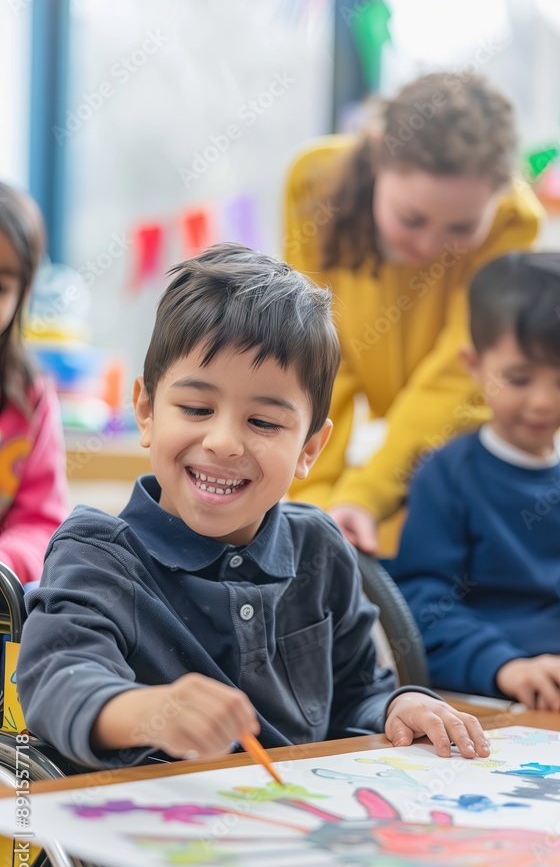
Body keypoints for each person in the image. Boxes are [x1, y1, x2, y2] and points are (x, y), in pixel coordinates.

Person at [17, 243, 489, 769]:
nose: (223, 442)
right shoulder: (98, 554)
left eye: (264, 422)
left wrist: (403, 705)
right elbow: (55, 683)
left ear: (310, 448)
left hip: (301, 831)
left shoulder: (320, 548)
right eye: (196, 408)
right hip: (147, 838)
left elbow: (357, 694)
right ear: (146, 411)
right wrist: (149, 711)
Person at [284, 71, 542, 555]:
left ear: (501, 195)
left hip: (455, 452)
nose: (429, 247)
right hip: (355, 455)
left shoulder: (514, 222)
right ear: (380, 154)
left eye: (462, 227)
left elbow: (456, 375)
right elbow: (314, 354)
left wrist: (363, 496)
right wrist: (313, 499)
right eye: (411, 218)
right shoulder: (313, 183)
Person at [392, 252, 560, 708]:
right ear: (473, 365)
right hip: (486, 697)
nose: (544, 403)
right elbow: (423, 605)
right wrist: (503, 665)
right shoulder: (447, 475)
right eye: (519, 379)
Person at [0, 182, 68, 583]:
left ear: (21, 295)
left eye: (0, 286)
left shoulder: (31, 396)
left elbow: (43, 525)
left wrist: (4, 558)